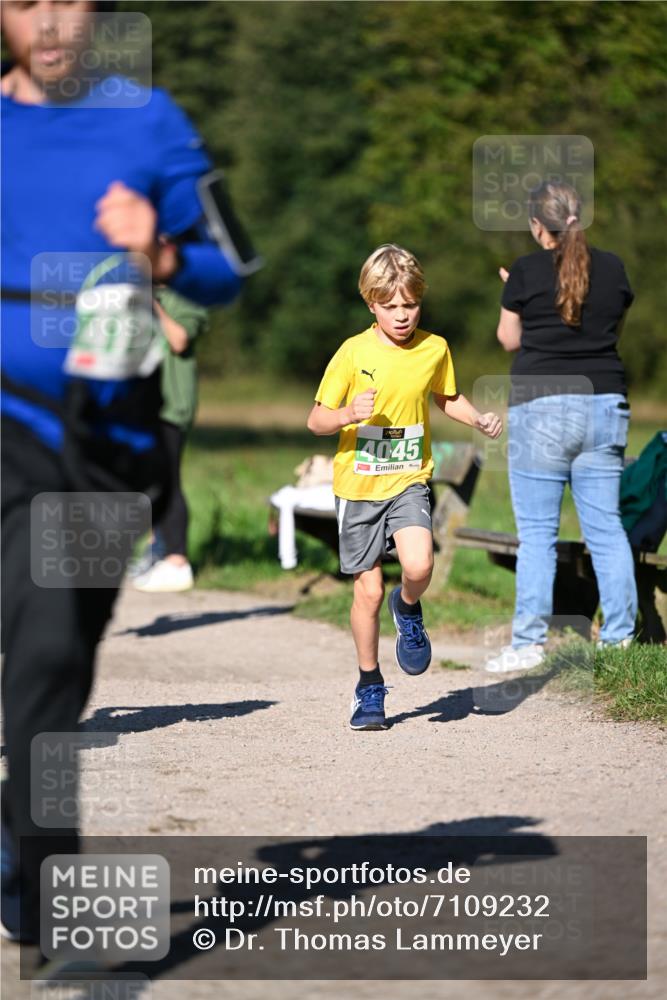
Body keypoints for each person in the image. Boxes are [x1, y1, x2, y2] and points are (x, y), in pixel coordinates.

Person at [0, 0, 246, 947]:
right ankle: (48, 876)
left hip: (109, 435)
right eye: (26, 1)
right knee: (39, 637)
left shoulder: (149, 119)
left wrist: (163, 245)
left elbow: (234, 261)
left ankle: (21, 833)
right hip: (9, 422)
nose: (52, 20)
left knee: (59, 656)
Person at [307, 244, 502, 730]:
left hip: (409, 479)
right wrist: (348, 414)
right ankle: (369, 685)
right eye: (390, 305)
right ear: (371, 303)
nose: (401, 315)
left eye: (410, 305)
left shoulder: (434, 348)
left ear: (420, 302)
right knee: (367, 592)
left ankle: (409, 606)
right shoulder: (354, 352)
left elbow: (447, 397)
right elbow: (316, 419)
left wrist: (476, 418)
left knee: (419, 564)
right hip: (358, 487)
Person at [485, 181, 638, 673]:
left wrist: (517, 294)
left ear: (537, 225)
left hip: (541, 405)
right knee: (608, 530)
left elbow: (509, 340)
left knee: (536, 534)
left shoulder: (526, 270)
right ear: (578, 218)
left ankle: (528, 644)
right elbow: (606, 328)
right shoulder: (613, 268)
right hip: (603, 402)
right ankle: (618, 641)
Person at [132, 287, 208, 592]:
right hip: (141, 406)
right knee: (148, 481)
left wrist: (150, 303)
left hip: (171, 405)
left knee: (169, 480)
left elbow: (178, 339)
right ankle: (159, 547)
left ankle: (178, 561)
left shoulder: (186, 296)